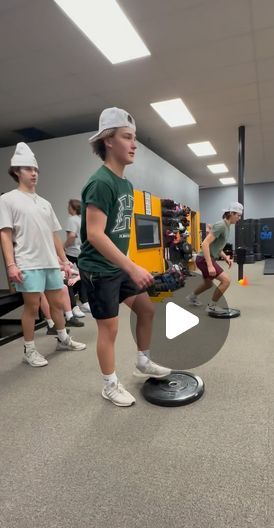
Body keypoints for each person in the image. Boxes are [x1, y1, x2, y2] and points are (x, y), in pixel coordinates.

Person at [78, 107, 171, 407]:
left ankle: (142, 362)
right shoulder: (101, 182)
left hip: (116, 267)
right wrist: (131, 267)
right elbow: (95, 234)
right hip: (98, 271)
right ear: (108, 140)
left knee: (146, 310)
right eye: (127, 137)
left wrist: (131, 264)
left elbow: (118, 233)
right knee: (110, 328)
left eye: (134, 139)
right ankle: (109, 385)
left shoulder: (126, 185)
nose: (134, 145)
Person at [0, 142, 86, 367]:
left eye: (36, 169)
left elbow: (54, 236)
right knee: (32, 307)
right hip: (28, 262)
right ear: (17, 171)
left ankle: (63, 338)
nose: (34, 173)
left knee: (57, 303)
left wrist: (65, 261)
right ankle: (29, 351)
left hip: (50, 263)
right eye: (29, 169)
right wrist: (11, 265)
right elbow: (6, 235)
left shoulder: (45, 204)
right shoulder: (7, 200)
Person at [186, 202, 243, 314]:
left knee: (208, 284)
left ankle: (192, 297)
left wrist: (225, 257)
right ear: (231, 213)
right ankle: (212, 306)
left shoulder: (227, 226)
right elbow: (205, 243)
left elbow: (216, 246)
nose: (239, 218)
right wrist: (210, 265)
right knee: (226, 281)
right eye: (238, 215)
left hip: (204, 258)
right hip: (204, 259)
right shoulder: (221, 225)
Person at [63, 198, 90, 315]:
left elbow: (72, 236)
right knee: (84, 277)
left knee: (64, 276)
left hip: (71, 252)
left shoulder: (72, 219)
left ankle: (70, 306)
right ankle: (84, 302)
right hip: (82, 252)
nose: (67, 208)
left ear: (72, 208)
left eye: (69, 206)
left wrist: (63, 246)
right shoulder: (82, 220)